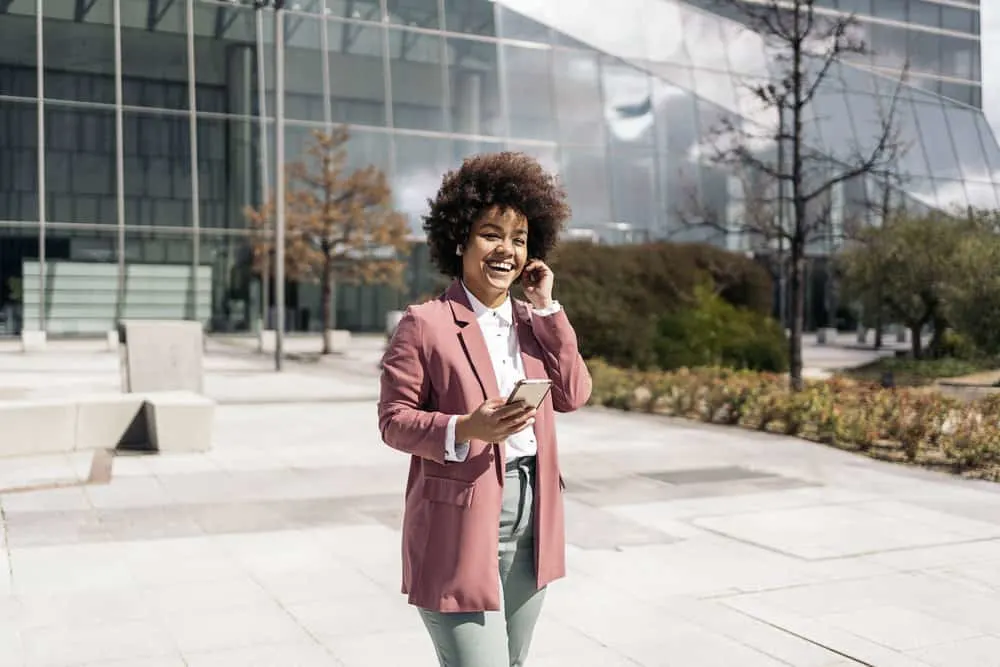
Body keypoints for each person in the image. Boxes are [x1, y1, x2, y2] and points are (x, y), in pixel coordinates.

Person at [377, 152, 592, 667]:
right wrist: (464, 426)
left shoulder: (533, 321)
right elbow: (392, 420)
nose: (507, 250)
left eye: (519, 239)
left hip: (532, 517)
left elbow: (573, 394)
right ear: (460, 239)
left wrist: (547, 309)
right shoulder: (425, 323)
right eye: (491, 233)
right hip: (459, 521)